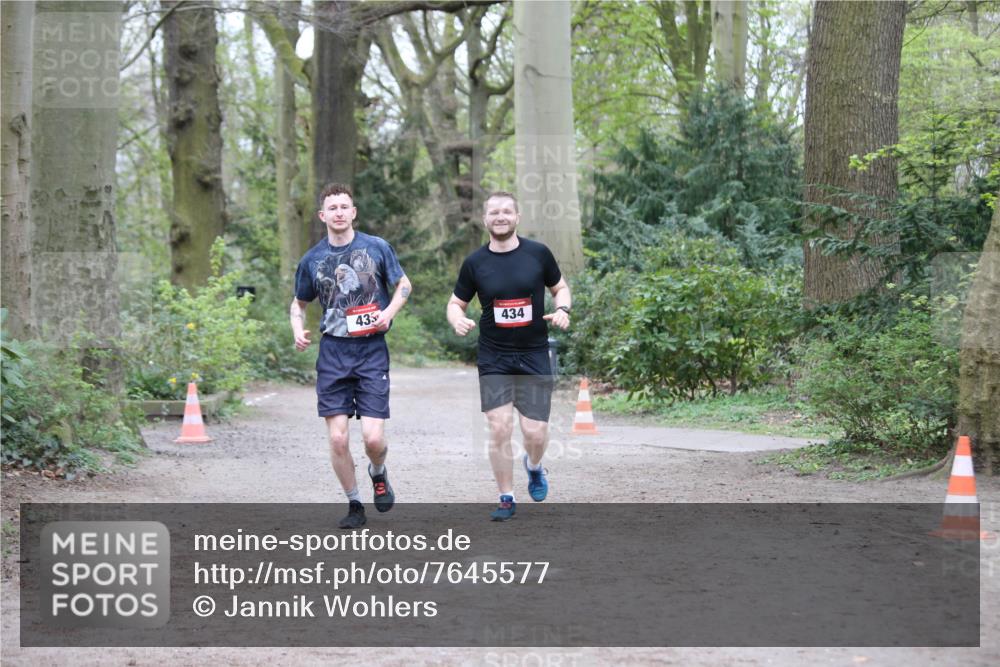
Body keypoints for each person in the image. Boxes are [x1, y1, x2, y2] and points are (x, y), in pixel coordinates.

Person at [291, 183, 411, 529]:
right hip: (333, 352)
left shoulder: (376, 248)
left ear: (353, 212)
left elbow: (404, 285)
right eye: (333, 208)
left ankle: (378, 471)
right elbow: (298, 305)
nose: (339, 212)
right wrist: (297, 329)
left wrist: (389, 313)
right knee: (338, 437)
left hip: (371, 351)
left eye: (345, 206)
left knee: (373, 439)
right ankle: (355, 503)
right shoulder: (312, 260)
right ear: (323, 215)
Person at [447, 191, 571, 521]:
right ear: (485, 220)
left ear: (517, 217)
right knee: (499, 426)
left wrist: (563, 309)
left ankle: (534, 466)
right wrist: (457, 318)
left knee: (534, 433)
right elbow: (455, 302)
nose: (500, 217)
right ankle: (506, 496)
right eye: (493, 213)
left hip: (533, 353)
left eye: (506, 212)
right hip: (494, 355)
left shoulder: (538, 254)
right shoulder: (475, 262)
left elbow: (560, 287)